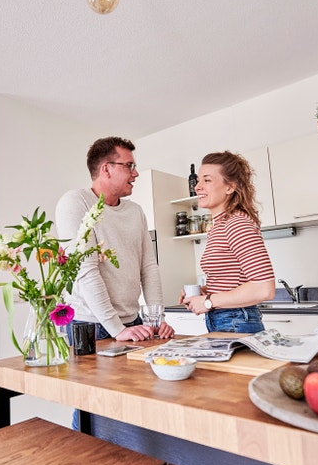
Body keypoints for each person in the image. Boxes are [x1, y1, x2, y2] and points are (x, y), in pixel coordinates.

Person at [56, 137, 175, 342]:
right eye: (129, 166)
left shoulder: (135, 211)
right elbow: (86, 270)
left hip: (133, 324)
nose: (135, 173)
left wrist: (156, 321)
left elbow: (149, 267)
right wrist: (116, 329)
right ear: (106, 169)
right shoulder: (75, 202)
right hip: (90, 326)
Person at [181, 151, 275, 333]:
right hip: (227, 319)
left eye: (207, 180)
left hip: (236, 320)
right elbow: (235, 281)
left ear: (230, 187)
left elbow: (264, 288)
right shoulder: (220, 225)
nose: (198, 186)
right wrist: (205, 292)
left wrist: (208, 301)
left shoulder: (237, 223)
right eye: (198, 180)